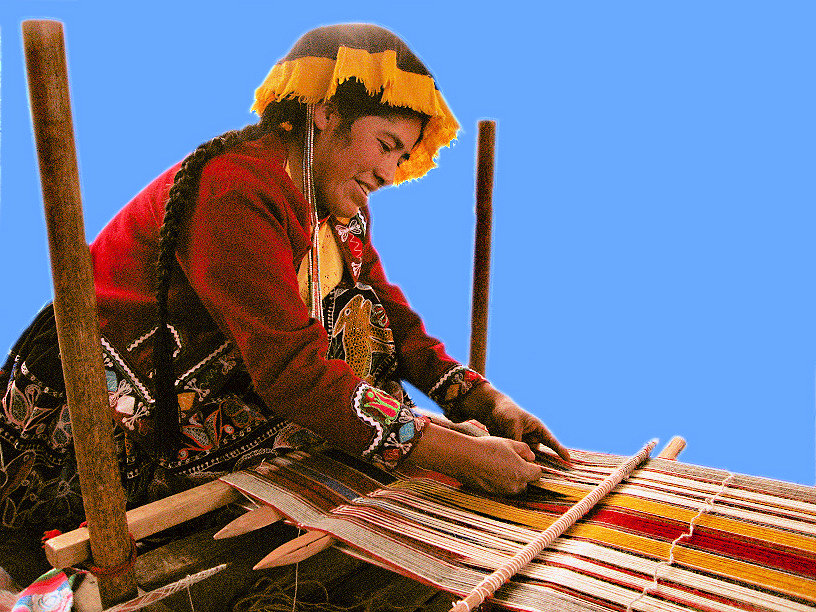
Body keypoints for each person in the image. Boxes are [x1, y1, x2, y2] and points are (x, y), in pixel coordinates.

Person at [0, 23, 568, 531]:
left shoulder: (334, 207)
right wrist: (454, 454)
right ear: (324, 115)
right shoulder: (238, 191)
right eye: (387, 146)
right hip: (95, 417)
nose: (391, 174)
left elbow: (391, 321)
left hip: (202, 392)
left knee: (365, 352)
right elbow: (291, 372)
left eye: (402, 157)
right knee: (348, 418)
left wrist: (486, 403)